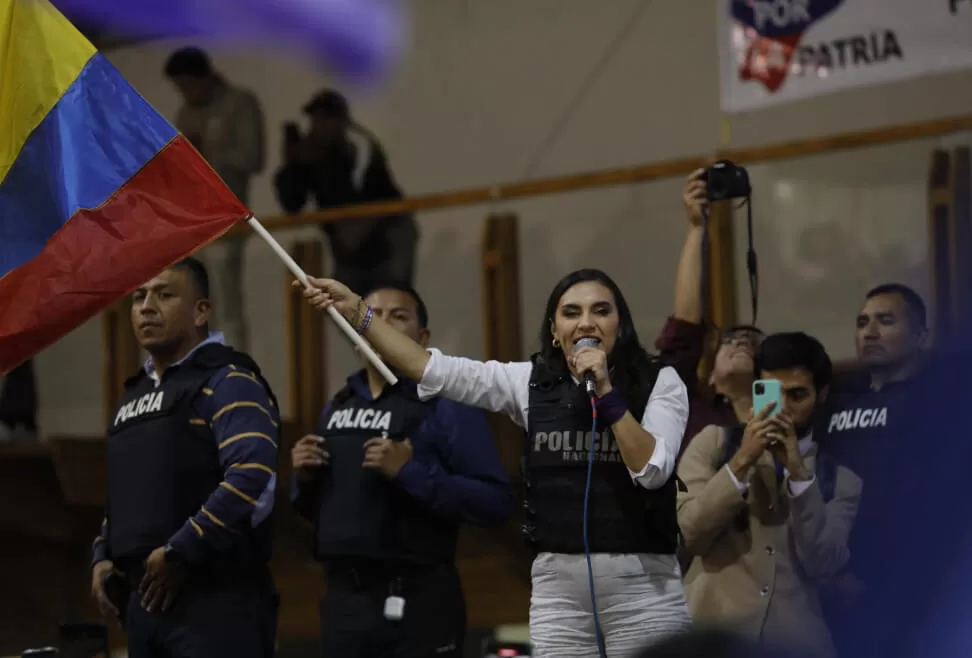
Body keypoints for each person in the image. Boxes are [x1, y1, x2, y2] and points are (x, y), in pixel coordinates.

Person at [296, 268, 692, 657]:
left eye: (600, 310)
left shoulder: (659, 381)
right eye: (571, 313)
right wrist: (357, 313)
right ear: (554, 330)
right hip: (559, 590)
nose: (585, 322)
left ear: (619, 325)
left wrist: (605, 392)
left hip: (644, 585)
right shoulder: (527, 382)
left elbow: (652, 471)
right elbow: (429, 368)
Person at [290, 282, 513, 658]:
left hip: (418, 600)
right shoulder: (337, 407)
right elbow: (318, 508)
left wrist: (411, 473)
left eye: (399, 316)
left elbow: (496, 502)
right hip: (343, 602)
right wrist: (303, 478)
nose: (384, 325)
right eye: (373, 315)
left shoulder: (446, 404)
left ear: (422, 337)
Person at [89, 258, 280, 658]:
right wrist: (102, 556)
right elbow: (124, 492)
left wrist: (182, 549)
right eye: (139, 296)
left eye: (164, 294)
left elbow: (252, 474)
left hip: (216, 602)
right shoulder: (133, 395)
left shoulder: (228, 380)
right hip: (144, 607)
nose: (146, 306)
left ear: (201, 311)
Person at [677, 332, 861, 658]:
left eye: (798, 395)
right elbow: (686, 534)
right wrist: (741, 461)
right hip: (710, 636)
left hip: (794, 642)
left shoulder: (841, 479)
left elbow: (823, 563)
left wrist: (800, 475)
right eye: (772, 393)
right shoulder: (714, 443)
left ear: (822, 394)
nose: (784, 409)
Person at [164, 47, 266, 351]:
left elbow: (253, 157)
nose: (184, 94)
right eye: (179, 89)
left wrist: (208, 152)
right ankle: (207, 375)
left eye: (187, 86)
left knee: (228, 306)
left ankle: (236, 371)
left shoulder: (240, 103)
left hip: (227, 221)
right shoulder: (185, 113)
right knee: (199, 307)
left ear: (204, 77)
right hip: (196, 225)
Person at [654, 169, 764, 451]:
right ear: (711, 374)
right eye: (728, 341)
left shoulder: (782, 413)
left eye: (751, 342)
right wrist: (696, 228)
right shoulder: (690, 410)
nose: (739, 342)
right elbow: (686, 328)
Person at [274, 89, 418, 293]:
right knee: (348, 313)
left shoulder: (360, 144)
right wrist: (292, 164)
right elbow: (292, 203)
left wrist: (320, 162)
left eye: (326, 118)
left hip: (388, 236)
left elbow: (358, 196)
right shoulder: (315, 150)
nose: (319, 126)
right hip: (349, 248)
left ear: (341, 121)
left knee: (389, 305)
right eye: (315, 119)